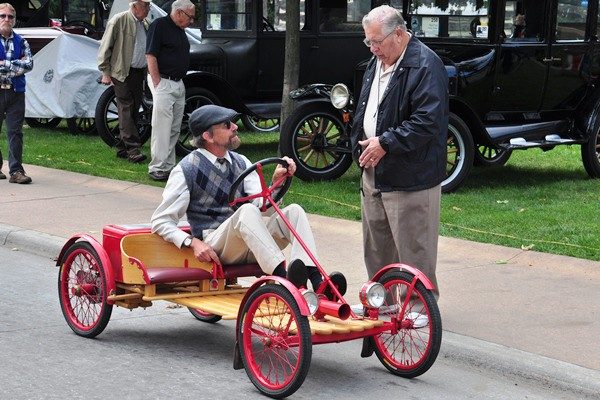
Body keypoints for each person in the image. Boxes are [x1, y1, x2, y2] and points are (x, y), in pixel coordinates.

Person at [151, 104, 323, 289]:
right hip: (216, 246)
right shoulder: (186, 170)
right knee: (246, 211)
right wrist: (193, 243)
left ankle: (317, 280)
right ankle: (286, 281)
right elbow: (160, 221)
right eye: (226, 125)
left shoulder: (241, 162)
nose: (235, 127)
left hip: (251, 241)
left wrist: (276, 182)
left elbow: (262, 207)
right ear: (207, 136)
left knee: (295, 211)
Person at [350, 5, 448, 293]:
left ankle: (418, 310)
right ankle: (383, 304)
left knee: (414, 250)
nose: (372, 49)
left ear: (400, 33)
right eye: (368, 41)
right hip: (374, 171)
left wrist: (386, 142)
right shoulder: (376, 62)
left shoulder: (426, 64)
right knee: (377, 248)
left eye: (377, 41)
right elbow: (366, 109)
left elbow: (427, 121)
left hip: (411, 176)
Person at [145, 0, 195, 181]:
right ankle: (157, 167)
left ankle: (167, 165)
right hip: (164, 81)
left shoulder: (180, 31)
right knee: (161, 126)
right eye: (190, 17)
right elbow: (150, 55)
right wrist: (157, 82)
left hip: (178, 82)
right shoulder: (159, 26)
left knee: (174, 127)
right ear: (180, 12)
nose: (192, 21)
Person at [97, 0, 151, 164]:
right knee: (126, 107)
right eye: (145, 6)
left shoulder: (145, 24)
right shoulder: (119, 20)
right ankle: (133, 149)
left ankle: (122, 147)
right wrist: (105, 72)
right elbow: (105, 47)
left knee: (134, 108)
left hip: (138, 72)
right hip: (121, 72)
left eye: (148, 6)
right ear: (135, 6)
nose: (148, 9)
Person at [0, 3, 33, 184]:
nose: (6, 19)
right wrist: (15, 64)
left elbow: (29, 64)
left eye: (10, 17)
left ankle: (16, 171)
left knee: (15, 133)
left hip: (16, 93)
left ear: (14, 20)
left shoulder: (22, 41)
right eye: (2, 16)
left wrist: (3, 64)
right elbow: (22, 65)